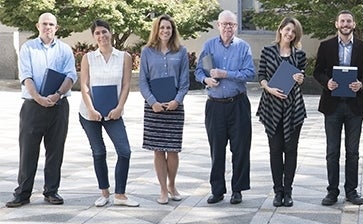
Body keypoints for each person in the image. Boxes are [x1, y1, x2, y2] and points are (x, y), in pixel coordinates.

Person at [7, 13, 77, 208]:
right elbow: (26, 75)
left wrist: (57, 95)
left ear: (57, 27)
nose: (48, 27)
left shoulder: (65, 49)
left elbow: (71, 75)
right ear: (38, 26)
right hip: (32, 106)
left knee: (55, 150)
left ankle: (51, 191)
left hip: (59, 106)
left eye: (51, 24)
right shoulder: (28, 47)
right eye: (44, 24)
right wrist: (38, 97)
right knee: (28, 150)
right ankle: (22, 193)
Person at [314, 10, 363, 206]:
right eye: (342, 21)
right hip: (332, 105)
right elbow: (317, 72)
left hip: (355, 106)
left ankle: (351, 191)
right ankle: (332, 191)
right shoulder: (325, 46)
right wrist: (327, 82)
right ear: (336, 24)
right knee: (332, 151)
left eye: (349, 21)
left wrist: (361, 84)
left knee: (353, 151)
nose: (346, 24)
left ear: (354, 24)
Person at [195, 10, 256, 205]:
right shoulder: (209, 45)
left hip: (238, 104)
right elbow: (198, 70)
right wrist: (205, 79)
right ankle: (217, 190)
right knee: (217, 149)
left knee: (240, 149)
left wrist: (225, 73)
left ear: (236, 26)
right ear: (218, 25)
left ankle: (237, 190)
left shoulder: (243, 47)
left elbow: (250, 73)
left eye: (232, 24)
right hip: (215, 106)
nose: (228, 27)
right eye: (225, 24)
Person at [78, 20, 138, 207]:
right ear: (93, 36)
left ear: (111, 33)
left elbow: (126, 84)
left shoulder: (124, 57)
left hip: (113, 113)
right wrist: (91, 109)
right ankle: (104, 193)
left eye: (104, 31)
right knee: (98, 152)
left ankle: (120, 194)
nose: (101, 36)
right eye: (97, 33)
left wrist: (120, 107)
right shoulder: (88, 57)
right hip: (90, 114)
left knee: (124, 151)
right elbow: (84, 85)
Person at [139, 15, 190, 205]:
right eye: (162, 28)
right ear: (156, 30)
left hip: (175, 107)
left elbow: (185, 82)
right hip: (154, 108)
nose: (165, 31)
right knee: (158, 150)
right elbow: (143, 81)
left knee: (173, 150)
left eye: (168, 28)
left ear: (173, 30)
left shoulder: (181, 51)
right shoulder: (147, 52)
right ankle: (162, 189)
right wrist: (153, 102)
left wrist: (177, 100)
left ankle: (172, 185)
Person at [256, 17, 307, 208]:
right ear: (280, 30)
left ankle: (288, 191)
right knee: (275, 150)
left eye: (293, 32)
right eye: (287, 29)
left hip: (293, 108)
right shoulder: (268, 51)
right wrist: (268, 88)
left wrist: (300, 79)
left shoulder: (299, 54)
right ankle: (278, 191)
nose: (290, 34)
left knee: (291, 150)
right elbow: (261, 75)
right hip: (271, 106)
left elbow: (301, 75)